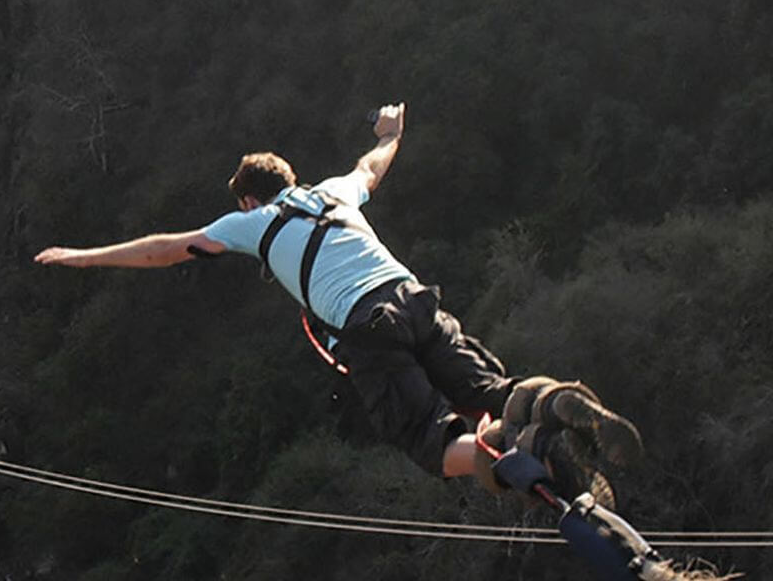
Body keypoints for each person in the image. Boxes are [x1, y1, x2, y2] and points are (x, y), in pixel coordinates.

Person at [33, 103, 641, 503]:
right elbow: (371, 166)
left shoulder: (254, 223)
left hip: (365, 325)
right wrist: (394, 133)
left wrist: (82, 257)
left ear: (249, 200)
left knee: (428, 441)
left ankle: (519, 451)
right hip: (413, 296)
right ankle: (556, 403)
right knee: (491, 390)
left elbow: (163, 250)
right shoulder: (332, 193)